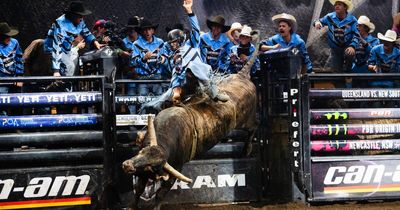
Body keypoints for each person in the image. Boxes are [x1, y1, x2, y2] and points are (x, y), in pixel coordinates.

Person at [166, 0, 229, 105]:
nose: (172, 45)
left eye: (174, 42)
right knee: (175, 71)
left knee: (195, 66)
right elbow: (174, 71)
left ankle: (214, 93)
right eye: (171, 43)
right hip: (183, 78)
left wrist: (190, 11)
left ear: (180, 39)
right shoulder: (175, 54)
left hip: (200, 74)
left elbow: (195, 29)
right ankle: (175, 93)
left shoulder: (192, 43)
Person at [44, 1, 102, 77]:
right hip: (53, 49)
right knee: (69, 66)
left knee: (73, 67)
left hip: (67, 49)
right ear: (73, 15)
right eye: (80, 16)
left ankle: (67, 86)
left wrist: (95, 41)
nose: (82, 18)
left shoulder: (80, 21)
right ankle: (65, 87)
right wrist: (56, 70)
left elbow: (86, 32)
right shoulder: (61, 24)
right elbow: (57, 46)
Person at [130, 18, 167, 113]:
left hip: (157, 77)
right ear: (141, 32)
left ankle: (159, 124)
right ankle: (142, 124)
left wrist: (163, 60)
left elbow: (166, 58)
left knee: (159, 102)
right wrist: (143, 59)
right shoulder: (136, 44)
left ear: (153, 30)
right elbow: (132, 62)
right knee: (142, 102)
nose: (147, 32)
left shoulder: (160, 43)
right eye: (145, 30)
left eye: (149, 29)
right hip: (143, 78)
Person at [314, 0, 357, 73]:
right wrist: (317, 23)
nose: (336, 6)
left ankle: (349, 75)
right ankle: (339, 83)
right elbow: (318, 21)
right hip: (335, 50)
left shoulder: (352, 20)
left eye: (339, 4)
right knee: (336, 73)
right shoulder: (329, 17)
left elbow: (357, 34)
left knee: (349, 57)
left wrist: (352, 46)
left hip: (347, 48)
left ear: (345, 7)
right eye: (336, 4)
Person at [0, 22, 23, 94]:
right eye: (6, 36)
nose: (9, 38)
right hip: (1, 81)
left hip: (14, 78)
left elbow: (19, 59)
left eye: (10, 36)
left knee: (17, 101)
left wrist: (19, 76)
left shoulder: (14, 42)